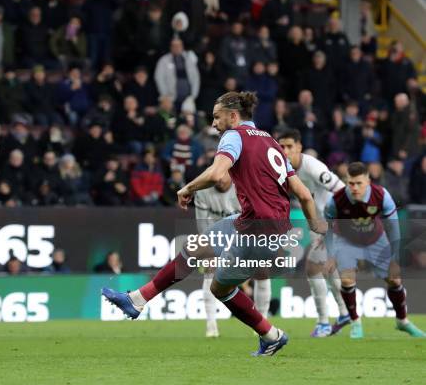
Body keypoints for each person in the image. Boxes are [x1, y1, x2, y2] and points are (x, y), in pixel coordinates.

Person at [103, 91, 325, 356]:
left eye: (217, 117)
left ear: (233, 116)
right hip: (265, 226)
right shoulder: (270, 141)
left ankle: (270, 335)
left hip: (257, 231)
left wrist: (187, 187)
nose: (213, 124)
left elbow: (218, 172)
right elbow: (303, 194)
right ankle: (137, 300)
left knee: (220, 287)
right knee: (196, 248)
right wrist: (316, 226)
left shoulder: (234, 135)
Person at [324, 162, 425, 338]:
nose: (354, 188)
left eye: (359, 183)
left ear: (368, 181)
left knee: (394, 279)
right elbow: (329, 227)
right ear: (347, 182)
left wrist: (394, 257)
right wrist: (331, 255)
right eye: (351, 183)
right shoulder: (336, 200)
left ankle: (403, 322)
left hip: (375, 239)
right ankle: (356, 322)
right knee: (347, 280)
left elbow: (393, 227)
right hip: (347, 241)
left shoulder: (381, 195)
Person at [276, 129, 350, 337]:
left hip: (331, 222)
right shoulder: (282, 169)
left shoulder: (313, 167)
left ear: (299, 147)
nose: (285, 151)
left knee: (312, 269)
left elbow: (341, 189)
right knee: (327, 271)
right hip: (317, 224)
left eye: (289, 146)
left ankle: (324, 323)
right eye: (281, 147)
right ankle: (345, 313)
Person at [194, 177, 241, 338]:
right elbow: (202, 225)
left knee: (262, 272)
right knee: (210, 272)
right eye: (217, 176)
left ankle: (261, 321)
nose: (220, 180)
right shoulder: (202, 192)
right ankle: (211, 325)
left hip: (241, 235)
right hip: (216, 236)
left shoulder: (242, 188)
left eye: (224, 176)